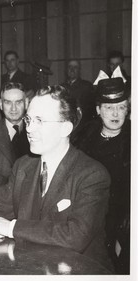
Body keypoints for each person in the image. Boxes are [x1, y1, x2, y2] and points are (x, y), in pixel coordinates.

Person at [0, 85, 112, 270]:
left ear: (65, 128)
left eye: (40, 121)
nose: (30, 129)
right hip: (34, 266)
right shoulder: (23, 166)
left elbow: (75, 235)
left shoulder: (92, 174)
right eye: (29, 119)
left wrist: (12, 228)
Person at [72, 77, 130, 274]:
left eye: (121, 107)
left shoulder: (132, 138)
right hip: (85, 212)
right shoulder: (85, 134)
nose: (115, 113)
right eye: (108, 107)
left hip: (122, 219)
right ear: (98, 110)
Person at [61, 60, 96, 128]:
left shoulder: (87, 86)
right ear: (66, 70)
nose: (72, 69)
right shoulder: (61, 87)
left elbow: (91, 110)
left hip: (83, 127)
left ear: (79, 70)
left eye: (75, 67)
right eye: (70, 67)